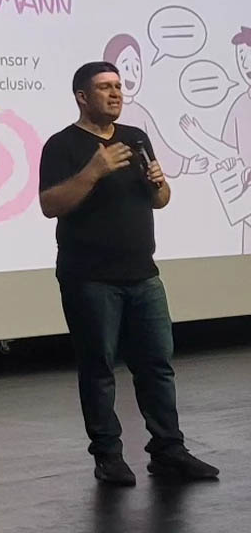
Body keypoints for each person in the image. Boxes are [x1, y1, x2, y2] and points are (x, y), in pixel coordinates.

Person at [38, 61, 219, 486]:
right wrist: (94, 171)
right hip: (89, 278)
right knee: (99, 369)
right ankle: (108, 456)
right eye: (105, 87)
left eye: (118, 86)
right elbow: (50, 205)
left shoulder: (136, 137)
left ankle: (168, 451)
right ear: (82, 97)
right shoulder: (62, 145)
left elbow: (161, 200)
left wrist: (159, 183)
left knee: (157, 365)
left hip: (143, 274)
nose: (116, 93)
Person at [181, 25, 251, 253]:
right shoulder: (240, 104)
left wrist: (199, 135)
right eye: (242, 58)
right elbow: (230, 151)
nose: (246, 65)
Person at [103, 33, 207, 177]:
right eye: (126, 67)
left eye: (137, 68)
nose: (133, 74)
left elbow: (160, 147)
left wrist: (185, 165)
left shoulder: (140, 116)